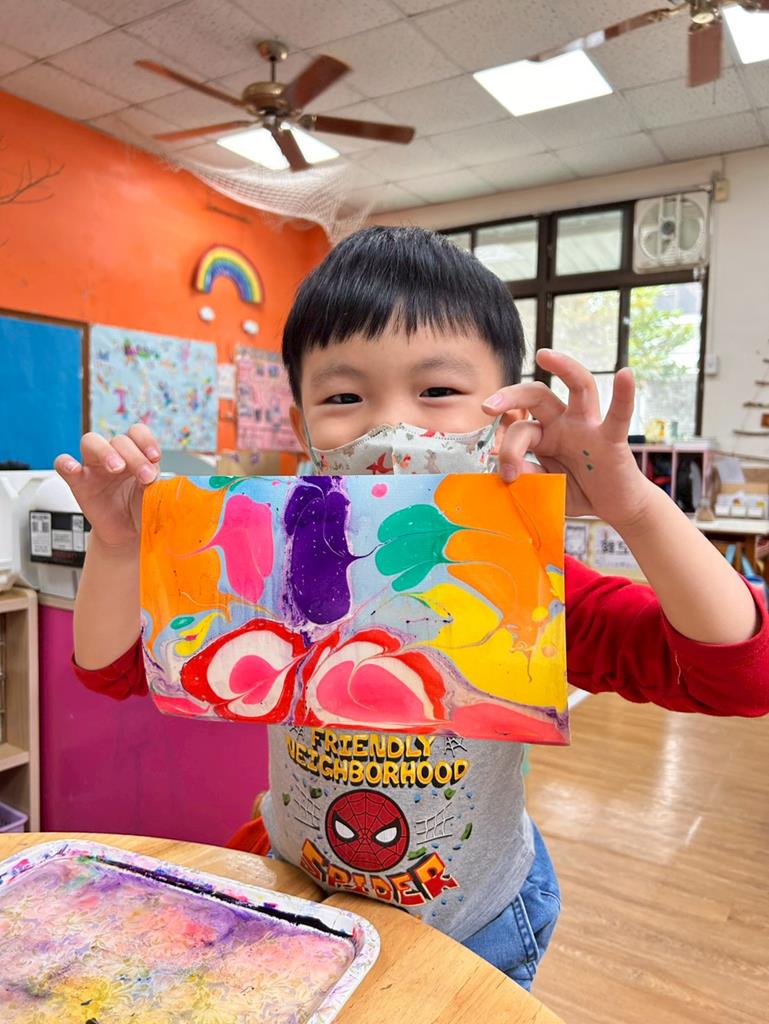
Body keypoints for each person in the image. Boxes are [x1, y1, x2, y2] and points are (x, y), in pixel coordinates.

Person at [57, 227, 769, 990]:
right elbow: (114, 672)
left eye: (436, 392)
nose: (389, 427)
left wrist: (635, 508)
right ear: (301, 425)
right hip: (303, 898)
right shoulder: (267, 559)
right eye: (343, 397)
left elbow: (741, 678)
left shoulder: (520, 580)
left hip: (473, 925)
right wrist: (118, 546)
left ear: (506, 415)